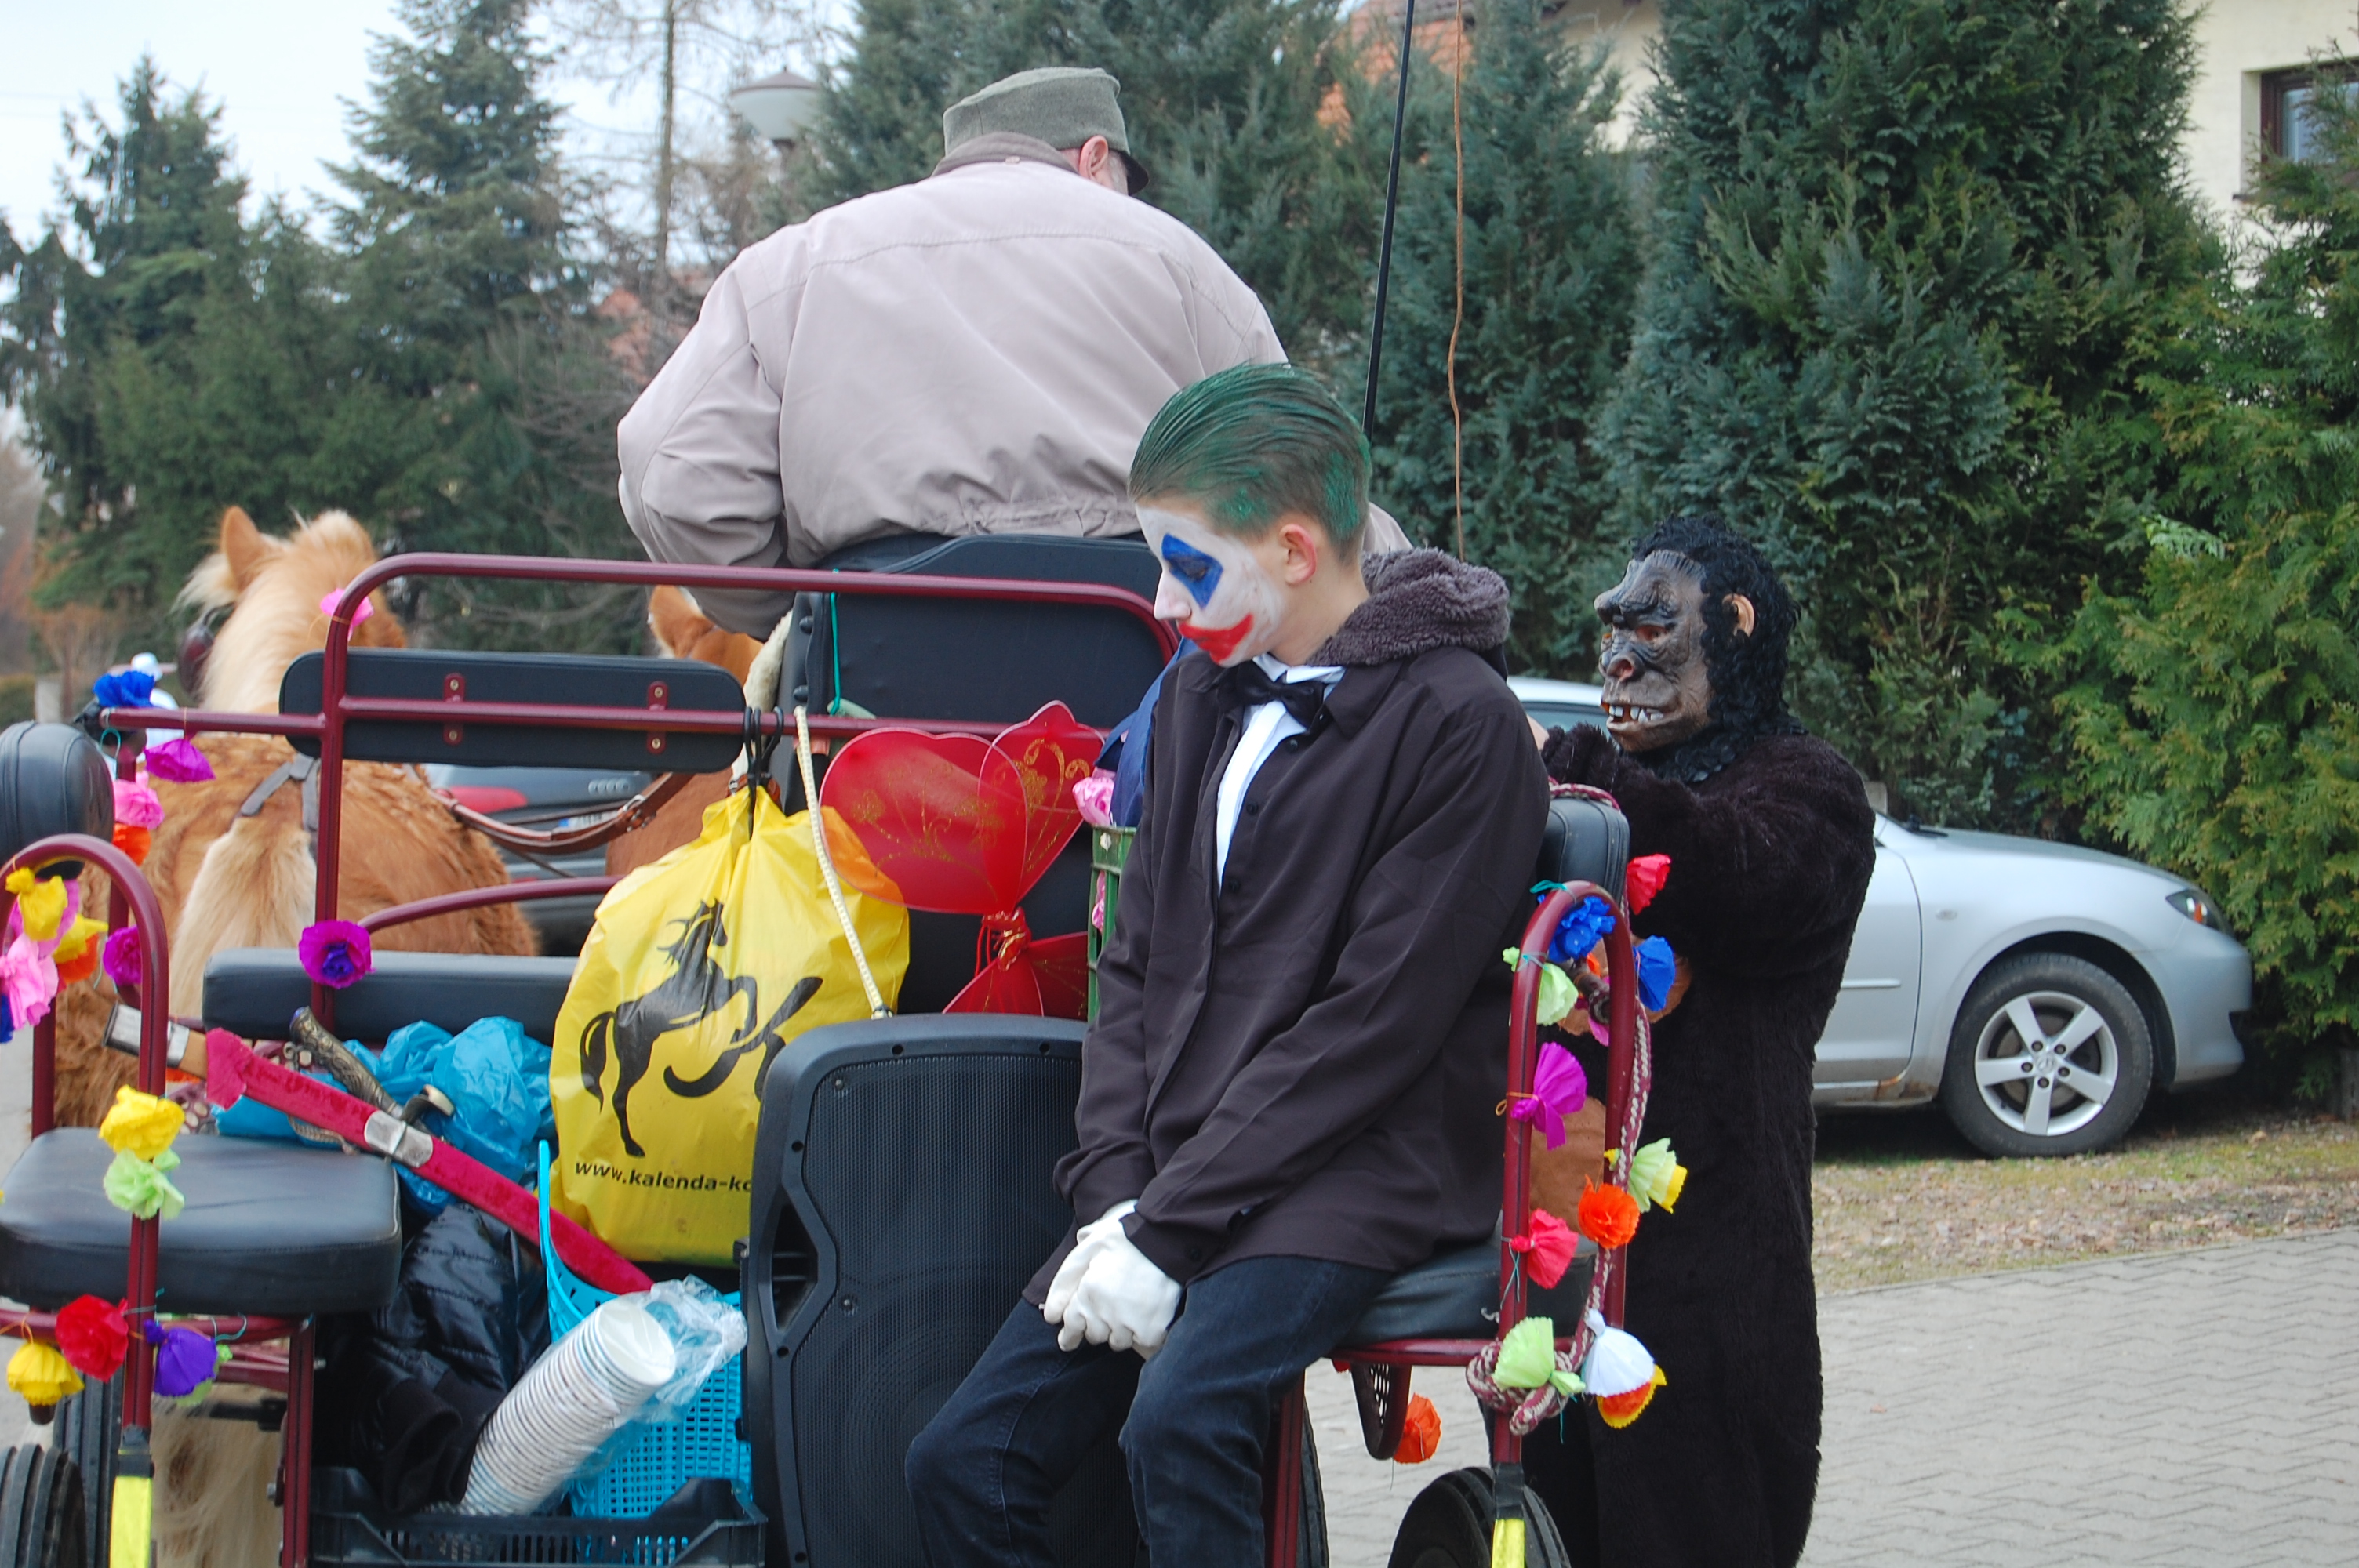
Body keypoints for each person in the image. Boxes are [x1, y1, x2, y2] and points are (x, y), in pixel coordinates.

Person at [903, 363, 1547, 1566]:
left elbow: (1371, 1029)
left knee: (1181, 1422)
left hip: (1354, 1166)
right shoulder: (1199, 691)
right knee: (961, 1461)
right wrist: (1115, 1197)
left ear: (1295, 550)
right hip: (1178, 1168)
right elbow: (1134, 967)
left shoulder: (1463, 725)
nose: (1162, 600)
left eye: (1186, 567)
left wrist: (1167, 1230)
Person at [616, 66, 1403, 637]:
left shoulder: (797, 265)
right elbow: (1308, 491)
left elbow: (668, 476)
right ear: (1093, 156)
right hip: (1148, 730)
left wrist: (802, 612)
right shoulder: (1181, 263)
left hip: (870, 722)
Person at [1524, 516, 1876, 1568]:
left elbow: (1734, 870)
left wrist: (1582, 779)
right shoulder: (1605, 799)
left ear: (1735, 627)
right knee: (1556, 1520)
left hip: (1715, 1260)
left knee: (1699, 1518)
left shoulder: (1809, 787)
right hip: (1567, 1246)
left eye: (1651, 630)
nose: (1618, 661)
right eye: (1610, 632)